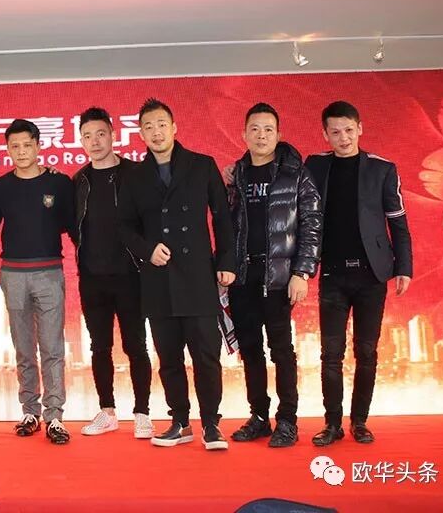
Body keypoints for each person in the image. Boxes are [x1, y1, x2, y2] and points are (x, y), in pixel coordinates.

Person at [118, 98, 236, 451]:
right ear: (141, 134)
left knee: (206, 356)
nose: (156, 132)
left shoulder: (202, 165)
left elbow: (223, 217)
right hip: (158, 278)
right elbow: (124, 227)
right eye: (148, 127)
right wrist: (147, 250)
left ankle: (211, 424)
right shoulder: (134, 176)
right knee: (169, 358)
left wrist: (227, 261)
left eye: (161, 125)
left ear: (174, 128)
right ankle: (180, 422)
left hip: (198, 275)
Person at [305, 101, 412, 446]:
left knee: (366, 352)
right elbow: (282, 166)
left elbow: (398, 224)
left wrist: (404, 268)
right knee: (330, 354)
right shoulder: (315, 166)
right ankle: (332, 424)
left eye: (349, 130)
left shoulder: (383, 169)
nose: (344, 138)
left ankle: (360, 422)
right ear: (325, 134)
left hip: (372, 276)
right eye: (335, 132)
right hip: (333, 275)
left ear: (360, 129)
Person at [225, 103, 321, 448]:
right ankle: (259, 417)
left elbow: (312, 224)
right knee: (250, 350)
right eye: (254, 129)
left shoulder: (296, 174)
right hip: (242, 277)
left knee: (281, 351)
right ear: (244, 134)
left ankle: (288, 421)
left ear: (279, 134)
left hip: (279, 278)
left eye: (268, 129)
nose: (261, 135)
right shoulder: (236, 175)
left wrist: (302, 272)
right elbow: (226, 226)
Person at [0, 119, 75, 445]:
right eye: (15, 146)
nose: (21, 151)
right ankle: (30, 411)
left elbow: (73, 226)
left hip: (49, 273)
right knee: (24, 348)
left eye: (27, 145)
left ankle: (54, 416)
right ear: (8, 150)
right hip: (12, 275)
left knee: (52, 347)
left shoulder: (60, 183)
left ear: (39, 146)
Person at [72, 107, 153, 439]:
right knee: (99, 347)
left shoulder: (136, 174)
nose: (95, 141)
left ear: (113, 135)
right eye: (87, 136)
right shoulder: (79, 181)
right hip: (92, 277)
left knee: (136, 345)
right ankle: (107, 412)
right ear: (81, 141)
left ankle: (142, 413)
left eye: (101, 134)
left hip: (131, 275)